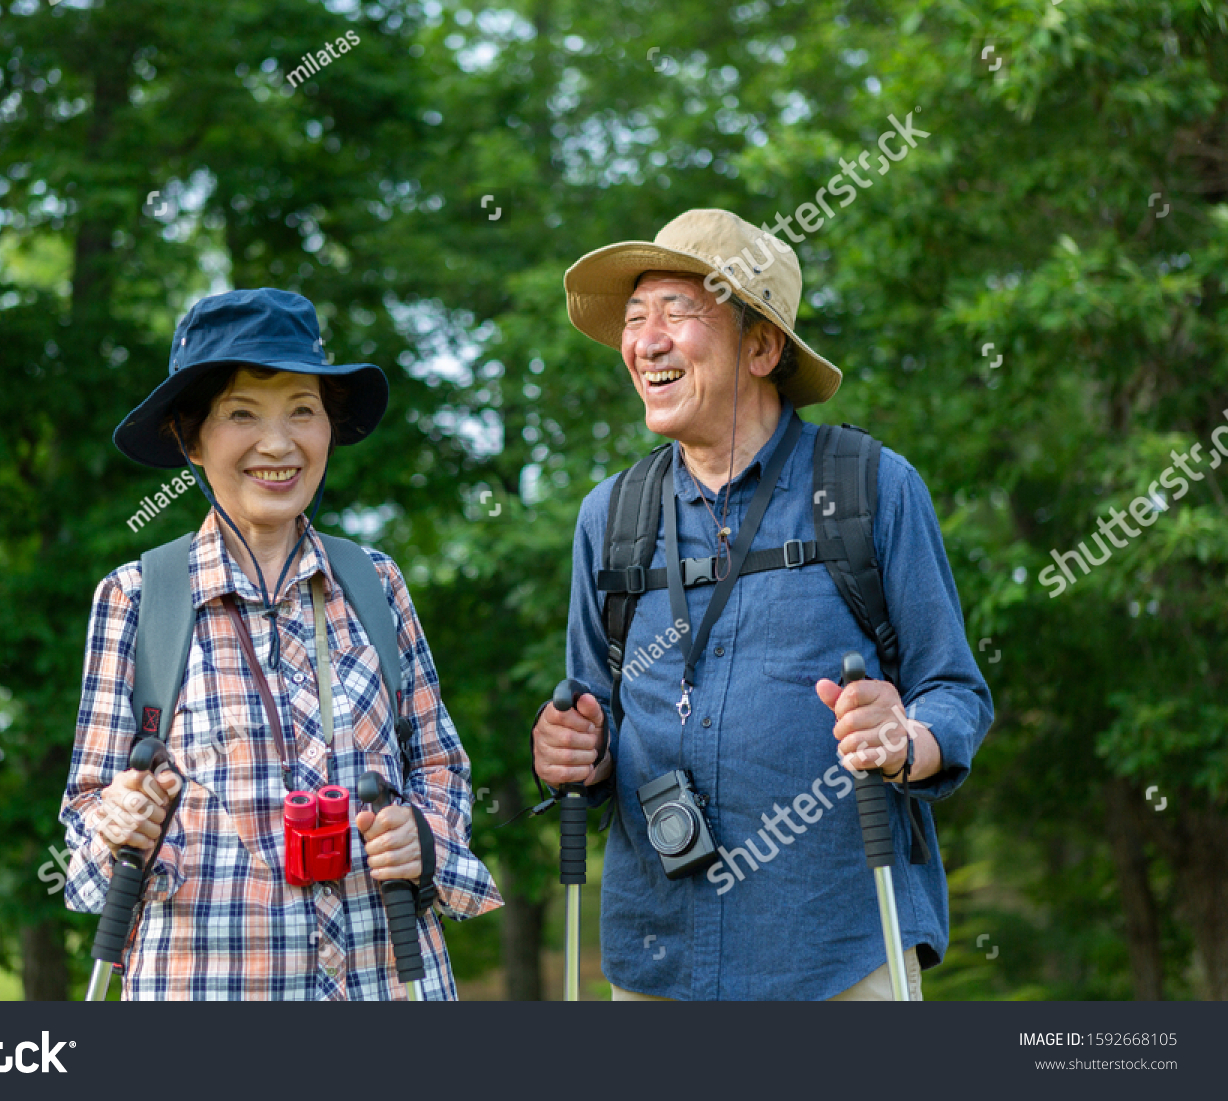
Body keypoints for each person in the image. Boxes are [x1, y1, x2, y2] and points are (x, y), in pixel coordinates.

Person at [532, 209, 993, 1000]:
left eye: (678, 311)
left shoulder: (871, 488)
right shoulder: (610, 517)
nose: (645, 340)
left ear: (761, 346)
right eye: (636, 318)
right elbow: (593, 711)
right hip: (659, 962)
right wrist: (577, 751)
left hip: (841, 953)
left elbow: (956, 693)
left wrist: (905, 736)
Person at [60, 287, 501, 999]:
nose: (278, 442)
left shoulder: (376, 584)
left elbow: (441, 766)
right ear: (191, 437)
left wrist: (422, 836)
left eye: (303, 409)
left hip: (388, 983)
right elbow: (87, 823)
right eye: (242, 414)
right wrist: (115, 821)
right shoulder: (137, 599)